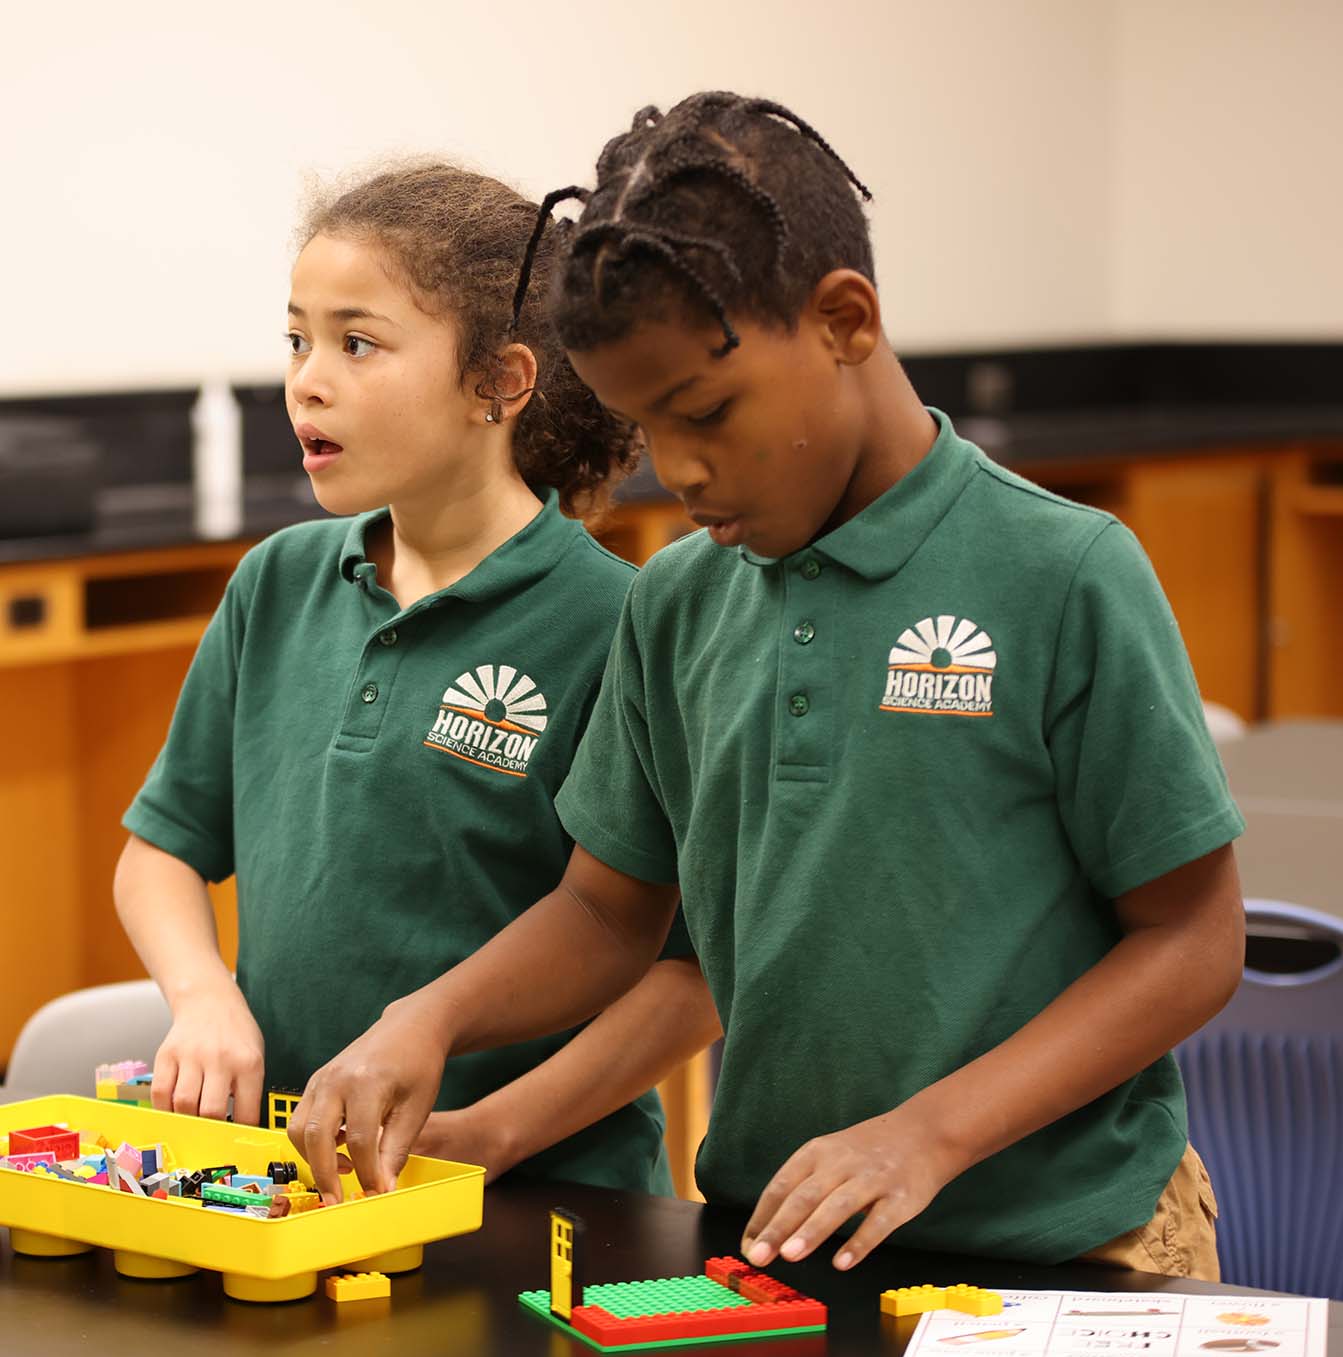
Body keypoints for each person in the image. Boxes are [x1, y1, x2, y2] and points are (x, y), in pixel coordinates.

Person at [290, 96, 1244, 1278]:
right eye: (645, 428)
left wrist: (925, 1138)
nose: (677, 470)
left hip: (1075, 1251)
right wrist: (426, 1022)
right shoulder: (677, 603)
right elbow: (606, 915)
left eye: (706, 414)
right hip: (783, 1250)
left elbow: (1192, 941)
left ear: (844, 321)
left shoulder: (1062, 573)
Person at [114, 162, 719, 1197]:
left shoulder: (622, 624)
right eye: (297, 339)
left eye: (359, 343)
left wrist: (489, 1134)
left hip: (543, 1197)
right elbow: (160, 851)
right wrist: (202, 994)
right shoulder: (278, 582)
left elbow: (689, 976)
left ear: (500, 383)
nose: (307, 378)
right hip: (302, 1189)